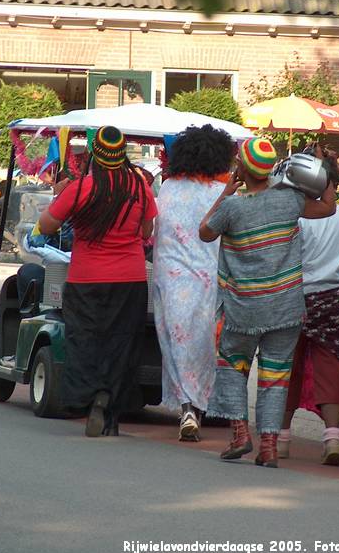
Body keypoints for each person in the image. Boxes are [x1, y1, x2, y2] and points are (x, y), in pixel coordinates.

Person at [200, 137, 336, 468]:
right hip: (286, 306)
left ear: (242, 167)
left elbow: (205, 231)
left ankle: (240, 435)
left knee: (233, 367)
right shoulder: (290, 200)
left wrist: (226, 191)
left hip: (243, 307)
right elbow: (329, 206)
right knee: (275, 376)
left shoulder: (233, 207)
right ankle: (270, 447)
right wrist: (326, 169)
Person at [37, 125, 157, 437]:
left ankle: (90, 401)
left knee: (86, 342)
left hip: (86, 278)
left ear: (95, 155)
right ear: (122, 155)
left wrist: (61, 196)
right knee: (122, 344)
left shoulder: (81, 188)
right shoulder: (140, 187)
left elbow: (46, 224)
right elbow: (147, 233)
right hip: (130, 279)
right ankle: (112, 413)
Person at [151, 125, 235, 442]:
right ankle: (198, 406)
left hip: (170, 279)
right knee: (205, 344)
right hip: (212, 278)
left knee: (175, 343)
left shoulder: (168, 188)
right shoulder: (222, 193)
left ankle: (187, 405)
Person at [279, 154, 339, 465]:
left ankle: (282, 438)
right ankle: (332, 437)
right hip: (332, 298)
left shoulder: (292, 217)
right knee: (330, 368)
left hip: (292, 297)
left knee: (287, 367)